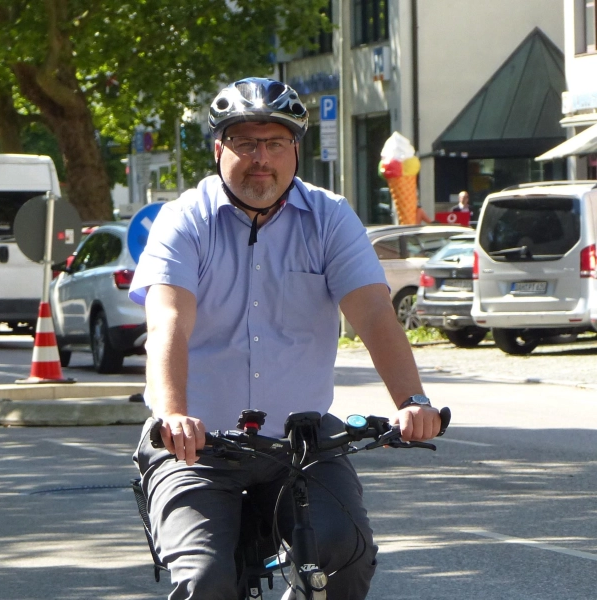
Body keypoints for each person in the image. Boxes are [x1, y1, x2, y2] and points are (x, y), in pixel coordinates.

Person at [130, 77, 441, 600]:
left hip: (301, 444)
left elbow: (373, 315)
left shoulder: (330, 217)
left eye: (275, 143)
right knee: (205, 579)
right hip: (196, 448)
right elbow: (168, 322)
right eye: (245, 143)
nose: (261, 159)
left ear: (295, 149)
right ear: (218, 148)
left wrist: (412, 401)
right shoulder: (185, 219)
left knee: (346, 555)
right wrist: (174, 414)